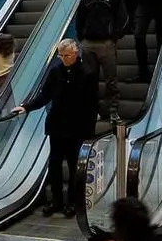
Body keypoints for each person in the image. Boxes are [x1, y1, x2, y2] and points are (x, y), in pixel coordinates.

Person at [15, 40, 99, 216]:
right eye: (60, 55)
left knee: (75, 164)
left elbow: (92, 103)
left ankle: (73, 202)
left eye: (66, 55)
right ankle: (56, 200)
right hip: (57, 125)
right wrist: (26, 106)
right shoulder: (55, 72)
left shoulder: (87, 73)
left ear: (76, 53)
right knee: (54, 164)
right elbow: (44, 95)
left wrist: (90, 130)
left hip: (77, 127)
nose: (63, 58)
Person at [75, 0, 128, 125]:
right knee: (90, 79)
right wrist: (81, 38)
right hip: (88, 44)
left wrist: (114, 36)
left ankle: (113, 111)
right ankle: (93, 110)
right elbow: (79, 20)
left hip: (106, 43)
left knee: (111, 79)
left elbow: (123, 18)